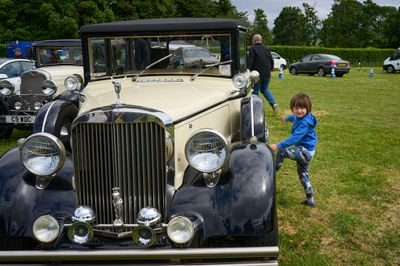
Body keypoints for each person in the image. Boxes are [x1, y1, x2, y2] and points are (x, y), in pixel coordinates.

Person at [269, 93, 318, 207]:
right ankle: (310, 200)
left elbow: (295, 138)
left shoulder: (305, 123)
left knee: (282, 152)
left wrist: (278, 145)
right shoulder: (300, 117)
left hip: (304, 152)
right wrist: (286, 118)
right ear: (292, 108)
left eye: (302, 108)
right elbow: (294, 117)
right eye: (296, 108)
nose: (299, 111)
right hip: (305, 151)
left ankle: (271, 175)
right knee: (303, 176)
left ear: (308, 108)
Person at [247, 34, 278, 114]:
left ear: (254, 41)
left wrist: (247, 71)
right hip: (267, 73)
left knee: (255, 91)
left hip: (257, 74)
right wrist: (269, 70)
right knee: (265, 89)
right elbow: (272, 61)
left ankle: (255, 110)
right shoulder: (266, 49)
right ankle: (274, 103)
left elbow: (250, 62)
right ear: (261, 40)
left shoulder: (253, 49)